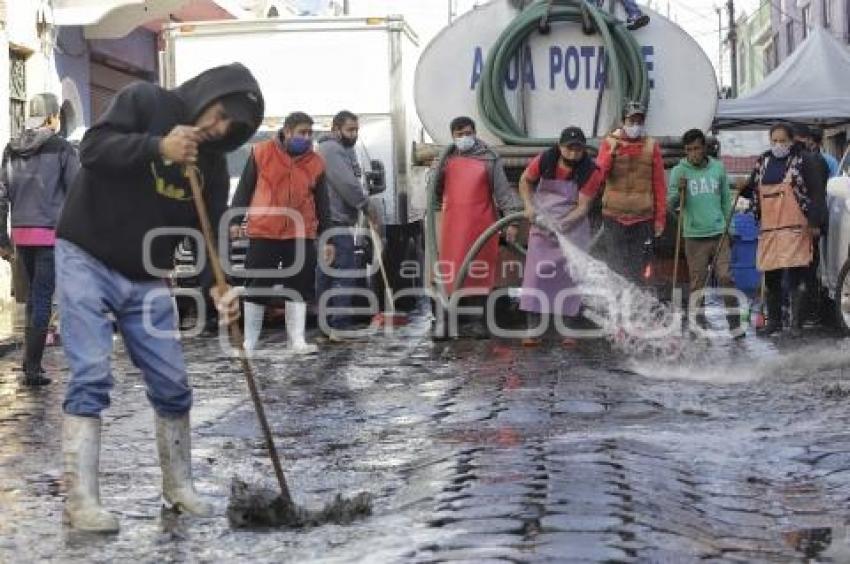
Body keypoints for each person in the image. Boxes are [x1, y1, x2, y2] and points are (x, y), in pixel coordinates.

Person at [55, 63, 263, 532]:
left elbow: (206, 233)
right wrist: (157, 146)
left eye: (232, 128)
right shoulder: (144, 101)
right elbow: (92, 149)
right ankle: (81, 501)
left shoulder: (210, 167)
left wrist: (219, 285)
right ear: (210, 94)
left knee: (173, 383)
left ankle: (178, 487)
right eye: (220, 114)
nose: (219, 128)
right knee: (91, 373)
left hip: (148, 274)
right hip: (85, 253)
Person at [230, 111, 330, 354]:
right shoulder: (261, 152)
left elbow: (323, 203)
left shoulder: (316, 163)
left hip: (300, 232)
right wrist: (235, 220)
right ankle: (249, 341)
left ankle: (297, 340)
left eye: (309, 133)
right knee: (257, 285)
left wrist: (327, 236)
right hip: (265, 230)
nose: (306, 138)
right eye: (301, 133)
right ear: (287, 132)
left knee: (299, 285)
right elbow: (245, 188)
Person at [0, 93, 79, 386]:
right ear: (50, 117)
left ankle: (30, 362)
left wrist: (2, 238)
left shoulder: (11, 148)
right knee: (43, 296)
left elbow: (1, 194)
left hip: (21, 233)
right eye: (56, 115)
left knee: (33, 295)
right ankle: (32, 368)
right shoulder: (62, 148)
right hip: (49, 234)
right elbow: (77, 192)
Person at [429, 116, 523, 337]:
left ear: (475, 132)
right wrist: (435, 173)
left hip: (481, 224)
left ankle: (479, 322)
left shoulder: (489, 158)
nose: (464, 138)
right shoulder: (445, 158)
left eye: (468, 133)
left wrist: (512, 221)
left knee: (480, 273)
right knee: (450, 274)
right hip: (453, 226)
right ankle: (447, 322)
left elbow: (503, 192)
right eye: (459, 134)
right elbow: (435, 192)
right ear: (452, 136)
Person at [517, 126, 603, 347]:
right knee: (535, 277)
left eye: (578, 149)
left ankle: (569, 330)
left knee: (571, 279)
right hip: (542, 225)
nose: (574, 153)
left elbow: (583, 207)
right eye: (569, 148)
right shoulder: (545, 159)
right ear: (560, 147)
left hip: (572, 228)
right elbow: (525, 181)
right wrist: (528, 206)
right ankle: (534, 330)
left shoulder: (591, 171)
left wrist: (561, 224)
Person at [741, 122, 826, 337]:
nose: (778, 144)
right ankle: (775, 321)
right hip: (770, 229)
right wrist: (745, 188)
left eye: (782, 140)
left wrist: (815, 223)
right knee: (771, 277)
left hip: (797, 228)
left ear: (791, 140)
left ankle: (796, 323)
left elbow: (817, 193)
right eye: (774, 140)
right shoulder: (763, 161)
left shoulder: (803, 160)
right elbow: (753, 189)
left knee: (796, 277)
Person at [667, 128, 742, 338]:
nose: (693, 153)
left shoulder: (718, 168)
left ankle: (735, 325)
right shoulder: (678, 172)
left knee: (726, 278)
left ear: (704, 148)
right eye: (689, 149)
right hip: (694, 236)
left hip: (719, 232)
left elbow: (726, 201)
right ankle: (698, 327)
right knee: (698, 284)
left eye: (697, 148)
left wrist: (731, 228)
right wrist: (679, 191)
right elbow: (670, 204)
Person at [316, 110, 380, 339]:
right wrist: (366, 205)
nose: (354, 134)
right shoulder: (331, 150)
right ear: (335, 129)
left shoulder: (344, 150)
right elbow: (346, 183)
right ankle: (338, 325)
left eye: (356, 130)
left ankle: (327, 325)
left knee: (327, 272)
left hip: (333, 219)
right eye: (349, 130)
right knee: (345, 270)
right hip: (334, 220)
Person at [596, 101, 667, 285]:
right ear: (623, 121)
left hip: (643, 219)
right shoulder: (609, 143)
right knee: (615, 268)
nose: (635, 125)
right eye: (631, 120)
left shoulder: (652, 146)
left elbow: (659, 184)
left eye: (639, 121)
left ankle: (637, 307)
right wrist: (612, 153)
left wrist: (660, 219)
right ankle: (617, 308)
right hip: (614, 217)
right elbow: (598, 177)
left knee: (641, 270)